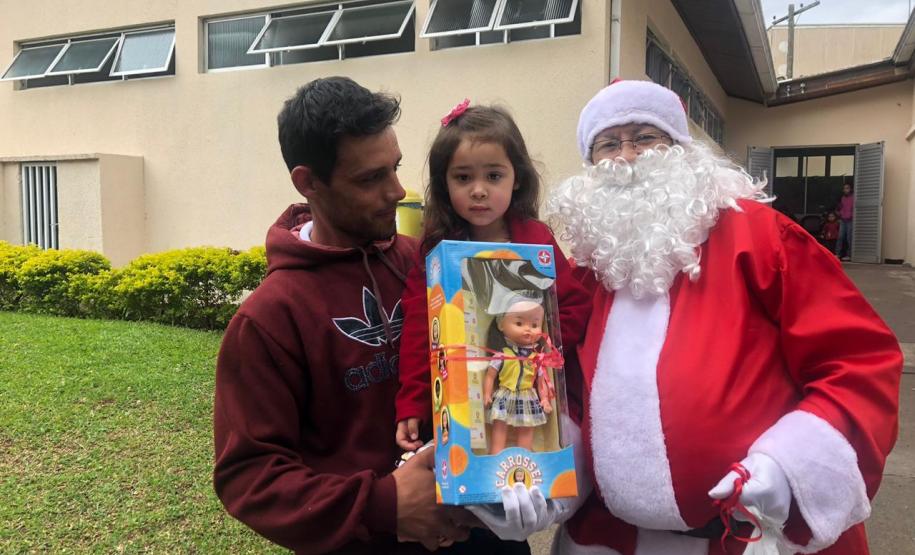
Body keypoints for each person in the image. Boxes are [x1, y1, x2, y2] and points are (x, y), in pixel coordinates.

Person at [546, 79, 902, 554]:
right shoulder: (592, 269)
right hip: (616, 538)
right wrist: (545, 470)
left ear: (681, 148)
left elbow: (858, 362)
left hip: (750, 536)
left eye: (646, 137)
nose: (628, 156)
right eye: (609, 143)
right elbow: (569, 390)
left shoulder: (760, 237)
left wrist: (789, 464)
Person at [213, 77, 474, 554]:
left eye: (393, 168)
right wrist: (383, 504)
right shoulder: (269, 319)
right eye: (370, 179)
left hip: (478, 535)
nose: (397, 191)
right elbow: (248, 477)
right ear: (308, 182)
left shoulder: (431, 263)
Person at [394, 102, 591, 453]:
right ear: (444, 184)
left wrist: (540, 346)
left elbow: (573, 305)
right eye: (463, 177)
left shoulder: (535, 239)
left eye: (494, 176)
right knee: (478, 455)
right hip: (461, 390)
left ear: (517, 179)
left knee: (528, 447)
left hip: (530, 381)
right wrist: (412, 401)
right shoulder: (436, 251)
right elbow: (418, 328)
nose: (479, 190)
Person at [483, 294, 554, 454]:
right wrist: (487, 394)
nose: (528, 329)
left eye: (535, 324)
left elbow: (540, 381)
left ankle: (525, 455)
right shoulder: (502, 354)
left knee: (527, 427)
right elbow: (490, 376)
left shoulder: (536, 358)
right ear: (501, 324)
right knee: (500, 425)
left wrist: (544, 399)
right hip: (505, 393)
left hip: (527, 395)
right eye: (519, 323)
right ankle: (496, 453)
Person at [836, 182, 855, 260]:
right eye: (844, 188)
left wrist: (852, 216)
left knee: (849, 238)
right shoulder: (843, 198)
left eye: (847, 188)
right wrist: (840, 214)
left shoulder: (854, 197)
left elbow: (854, 208)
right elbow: (841, 208)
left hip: (850, 220)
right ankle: (837, 254)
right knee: (840, 237)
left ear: (850, 189)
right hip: (843, 220)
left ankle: (849, 255)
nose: (845, 190)